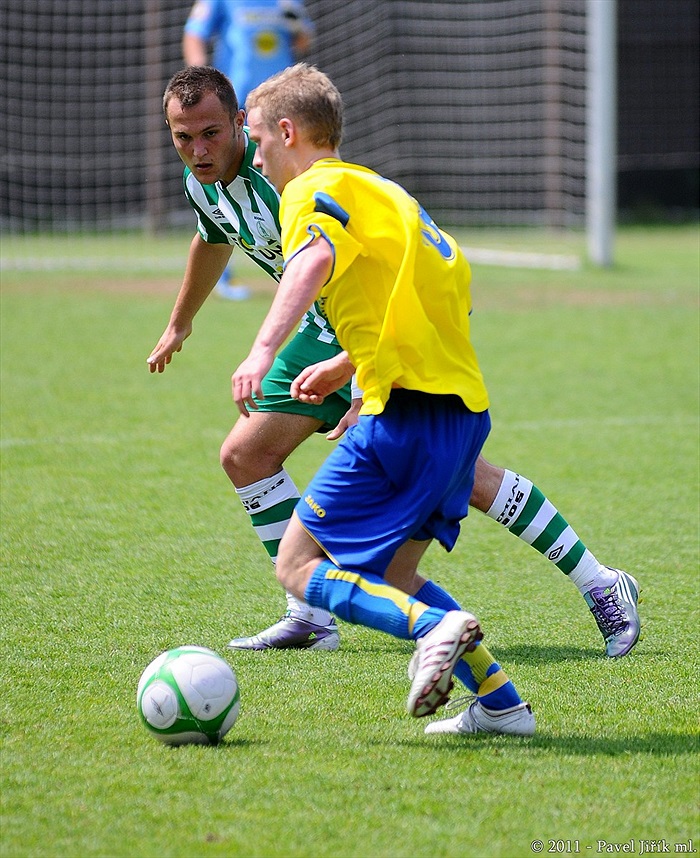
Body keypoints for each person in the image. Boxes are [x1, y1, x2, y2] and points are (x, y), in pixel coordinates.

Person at [148, 66, 640, 672]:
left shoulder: (293, 175)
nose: (198, 150)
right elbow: (213, 236)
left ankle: (599, 583)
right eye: (182, 137)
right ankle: (310, 613)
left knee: (467, 477)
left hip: (380, 329)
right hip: (323, 334)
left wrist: (340, 365)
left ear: (249, 128)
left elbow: (332, 262)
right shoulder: (208, 181)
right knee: (244, 455)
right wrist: (180, 322)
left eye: (212, 133)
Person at [232, 62, 542, 735]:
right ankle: (501, 705)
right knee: (398, 570)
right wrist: (355, 362)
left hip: (405, 413)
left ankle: (436, 628)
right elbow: (443, 290)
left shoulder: (310, 191)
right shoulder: (388, 197)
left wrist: (262, 350)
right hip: (462, 414)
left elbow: (313, 262)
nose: (257, 156)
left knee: (297, 565)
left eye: (259, 140)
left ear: (288, 131)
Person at [182, 0, 314, 300]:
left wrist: (296, 24)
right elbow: (193, 35)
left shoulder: (286, 1)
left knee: (295, 190)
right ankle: (220, 275)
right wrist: (203, 90)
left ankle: (306, 266)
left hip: (285, 111)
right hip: (240, 107)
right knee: (226, 188)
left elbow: (303, 41)